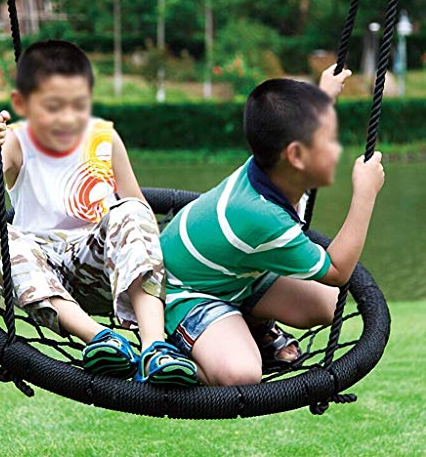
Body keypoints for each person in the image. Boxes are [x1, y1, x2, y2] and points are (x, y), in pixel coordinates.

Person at [0, 40, 197, 386]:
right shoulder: (15, 142)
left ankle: (154, 346)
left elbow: (136, 205)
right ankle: (100, 339)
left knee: (132, 209)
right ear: (23, 103)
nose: (68, 117)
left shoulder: (105, 138)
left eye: (79, 105)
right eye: (53, 107)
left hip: (104, 270)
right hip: (45, 278)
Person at [160, 66, 385, 386]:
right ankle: (173, 357)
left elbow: (293, 131)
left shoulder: (275, 169)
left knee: (328, 303)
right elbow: (337, 270)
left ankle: (249, 323)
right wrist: (364, 195)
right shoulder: (262, 215)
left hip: (237, 276)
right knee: (243, 374)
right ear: (296, 156)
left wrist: (323, 97)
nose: (337, 149)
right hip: (186, 290)